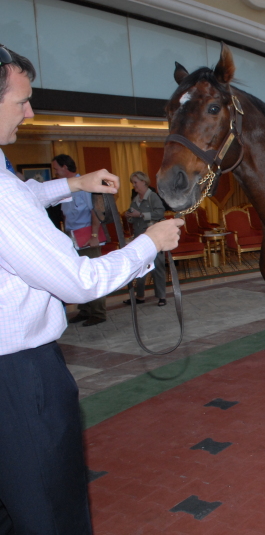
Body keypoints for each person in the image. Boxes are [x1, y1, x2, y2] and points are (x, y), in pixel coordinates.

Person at [0, 44, 183, 534]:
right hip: (20, 379)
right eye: (21, 101)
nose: (30, 112)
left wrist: (73, 183)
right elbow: (79, 282)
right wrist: (149, 243)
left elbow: (22, 196)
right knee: (49, 507)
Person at [53, 154, 108, 326]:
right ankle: (85, 310)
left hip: (87, 235)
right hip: (73, 236)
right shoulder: (66, 188)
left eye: (56, 168)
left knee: (92, 274)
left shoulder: (84, 186)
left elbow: (96, 211)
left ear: (65, 167)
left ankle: (98, 313)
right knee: (79, 275)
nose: (54, 172)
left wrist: (93, 235)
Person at [125, 171, 167, 306]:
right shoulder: (135, 199)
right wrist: (129, 216)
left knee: (157, 267)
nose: (134, 185)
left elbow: (160, 212)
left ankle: (161, 297)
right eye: (133, 182)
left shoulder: (153, 197)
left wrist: (141, 214)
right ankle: (140, 296)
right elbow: (133, 218)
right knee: (140, 268)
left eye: (135, 182)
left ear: (144, 182)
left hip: (153, 238)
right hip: (139, 238)